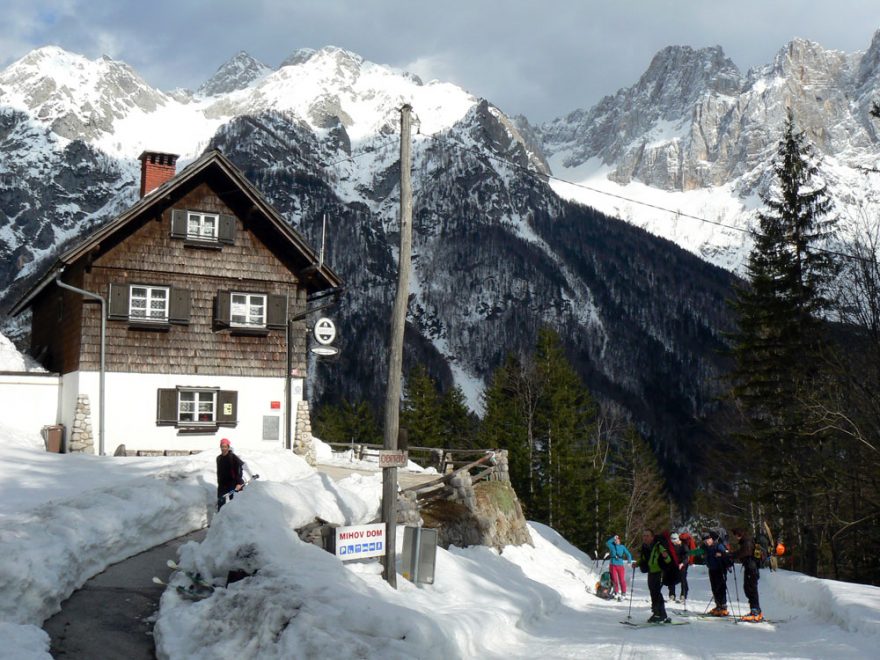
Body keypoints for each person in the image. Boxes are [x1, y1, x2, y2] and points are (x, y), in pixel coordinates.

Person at [638, 529, 674, 623]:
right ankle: (657, 613)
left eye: (647, 535)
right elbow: (643, 559)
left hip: (659, 572)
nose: (645, 537)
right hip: (651, 572)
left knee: (656, 592)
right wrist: (637, 564)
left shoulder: (659, 546)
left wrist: (665, 556)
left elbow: (668, 560)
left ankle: (660, 614)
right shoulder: (645, 546)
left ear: (652, 537)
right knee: (653, 592)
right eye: (644, 536)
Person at [697, 531, 731, 616]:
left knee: (721, 588)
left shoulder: (718, 545)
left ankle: (723, 606)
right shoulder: (705, 547)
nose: (706, 542)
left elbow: (726, 555)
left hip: (720, 569)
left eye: (708, 540)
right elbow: (698, 551)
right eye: (705, 541)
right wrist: (689, 553)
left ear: (712, 539)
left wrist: (727, 563)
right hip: (712, 569)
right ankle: (718, 606)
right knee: (714, 588)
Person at [732, 528, 763, 621]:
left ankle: (755, 611)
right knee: (749, 588)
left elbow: (742, 553)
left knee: (751, 589)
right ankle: (756, 610)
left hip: (751, 568)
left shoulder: (747, 542)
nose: (736, 538)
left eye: (736, 535)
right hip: (751, 568)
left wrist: (730, 555)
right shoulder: (747, 541)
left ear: (739, 534)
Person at [216, 437, 245, 511]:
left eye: (225, 447)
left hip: (232, 483)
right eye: (222, 446)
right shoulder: (218, 458)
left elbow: (239, 470)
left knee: (234, 505)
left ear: (228, 447)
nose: (223, 448)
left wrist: (239, 483)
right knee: (221, 503)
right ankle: (220, 520)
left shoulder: (232, 457)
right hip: (222, 485)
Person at [606, 534, 633, 601]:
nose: (616, 541)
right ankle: (616, 593)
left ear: (620, 540)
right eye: (615, 540)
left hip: (620, 565)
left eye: (617, 539)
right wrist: (613, 537)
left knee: (621, 580)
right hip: (612, 565)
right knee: (614, 580)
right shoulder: (612, 546)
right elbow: (607, 543)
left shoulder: (622, 547)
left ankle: (623, 593)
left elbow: (628, 554)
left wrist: (629, 561)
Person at [667, 533, 689, 603]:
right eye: (671, 540)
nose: (673, 542)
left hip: (682, 565)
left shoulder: (683, 546)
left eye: (674, 540)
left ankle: (683, 595)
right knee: (671, 579)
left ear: (677, 539)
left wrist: (682, 563)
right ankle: (672, 595)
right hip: (673, 565)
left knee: (683, 580)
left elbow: (686, 557)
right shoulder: (671, 546)